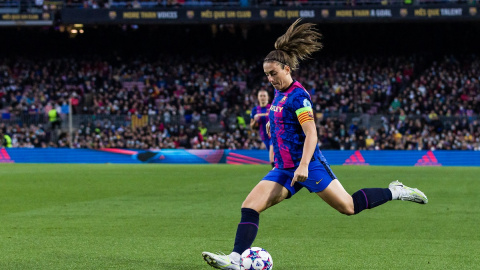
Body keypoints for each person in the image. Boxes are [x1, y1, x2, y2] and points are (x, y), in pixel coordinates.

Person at [202, 19, 428, 270]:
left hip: (308, 165)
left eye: (273, 73)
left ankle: (395, 191)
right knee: (249, 206)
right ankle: (235, 260)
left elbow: (311, 134)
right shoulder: (279, 92)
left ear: (287, 69)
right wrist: (272, 124)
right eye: (266, 74)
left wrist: (304, 165)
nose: (270, 79)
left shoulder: (299, 96)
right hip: (284, 167)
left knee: (349, 207)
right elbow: (283, 116)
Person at [250, 89, 274, 166]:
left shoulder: (272, 108)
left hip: (274, 134)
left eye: (264, 96)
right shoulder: (255, 110)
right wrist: (255, 121)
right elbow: (252, 126)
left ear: (268, 97)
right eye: (261, 96)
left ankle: (275, 174)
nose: (262, 97)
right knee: (274, 157)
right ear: (258, 97)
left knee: (272, 154)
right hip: (264, 137)